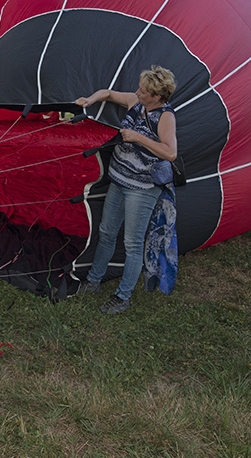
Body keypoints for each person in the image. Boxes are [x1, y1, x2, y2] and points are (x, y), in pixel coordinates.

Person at [73, 65, 178, 314]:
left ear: (158, 97)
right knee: (107, 232)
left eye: (144, 91)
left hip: (142, 188)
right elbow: (108, 94)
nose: (138, 92)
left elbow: (171, 152)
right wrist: (90, 100)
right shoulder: (136, 101)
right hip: (119, 180)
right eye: (140, 87)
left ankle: (123, 296)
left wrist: (138, 137)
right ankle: (93, 280)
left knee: (132, 243)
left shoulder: (165, 117)